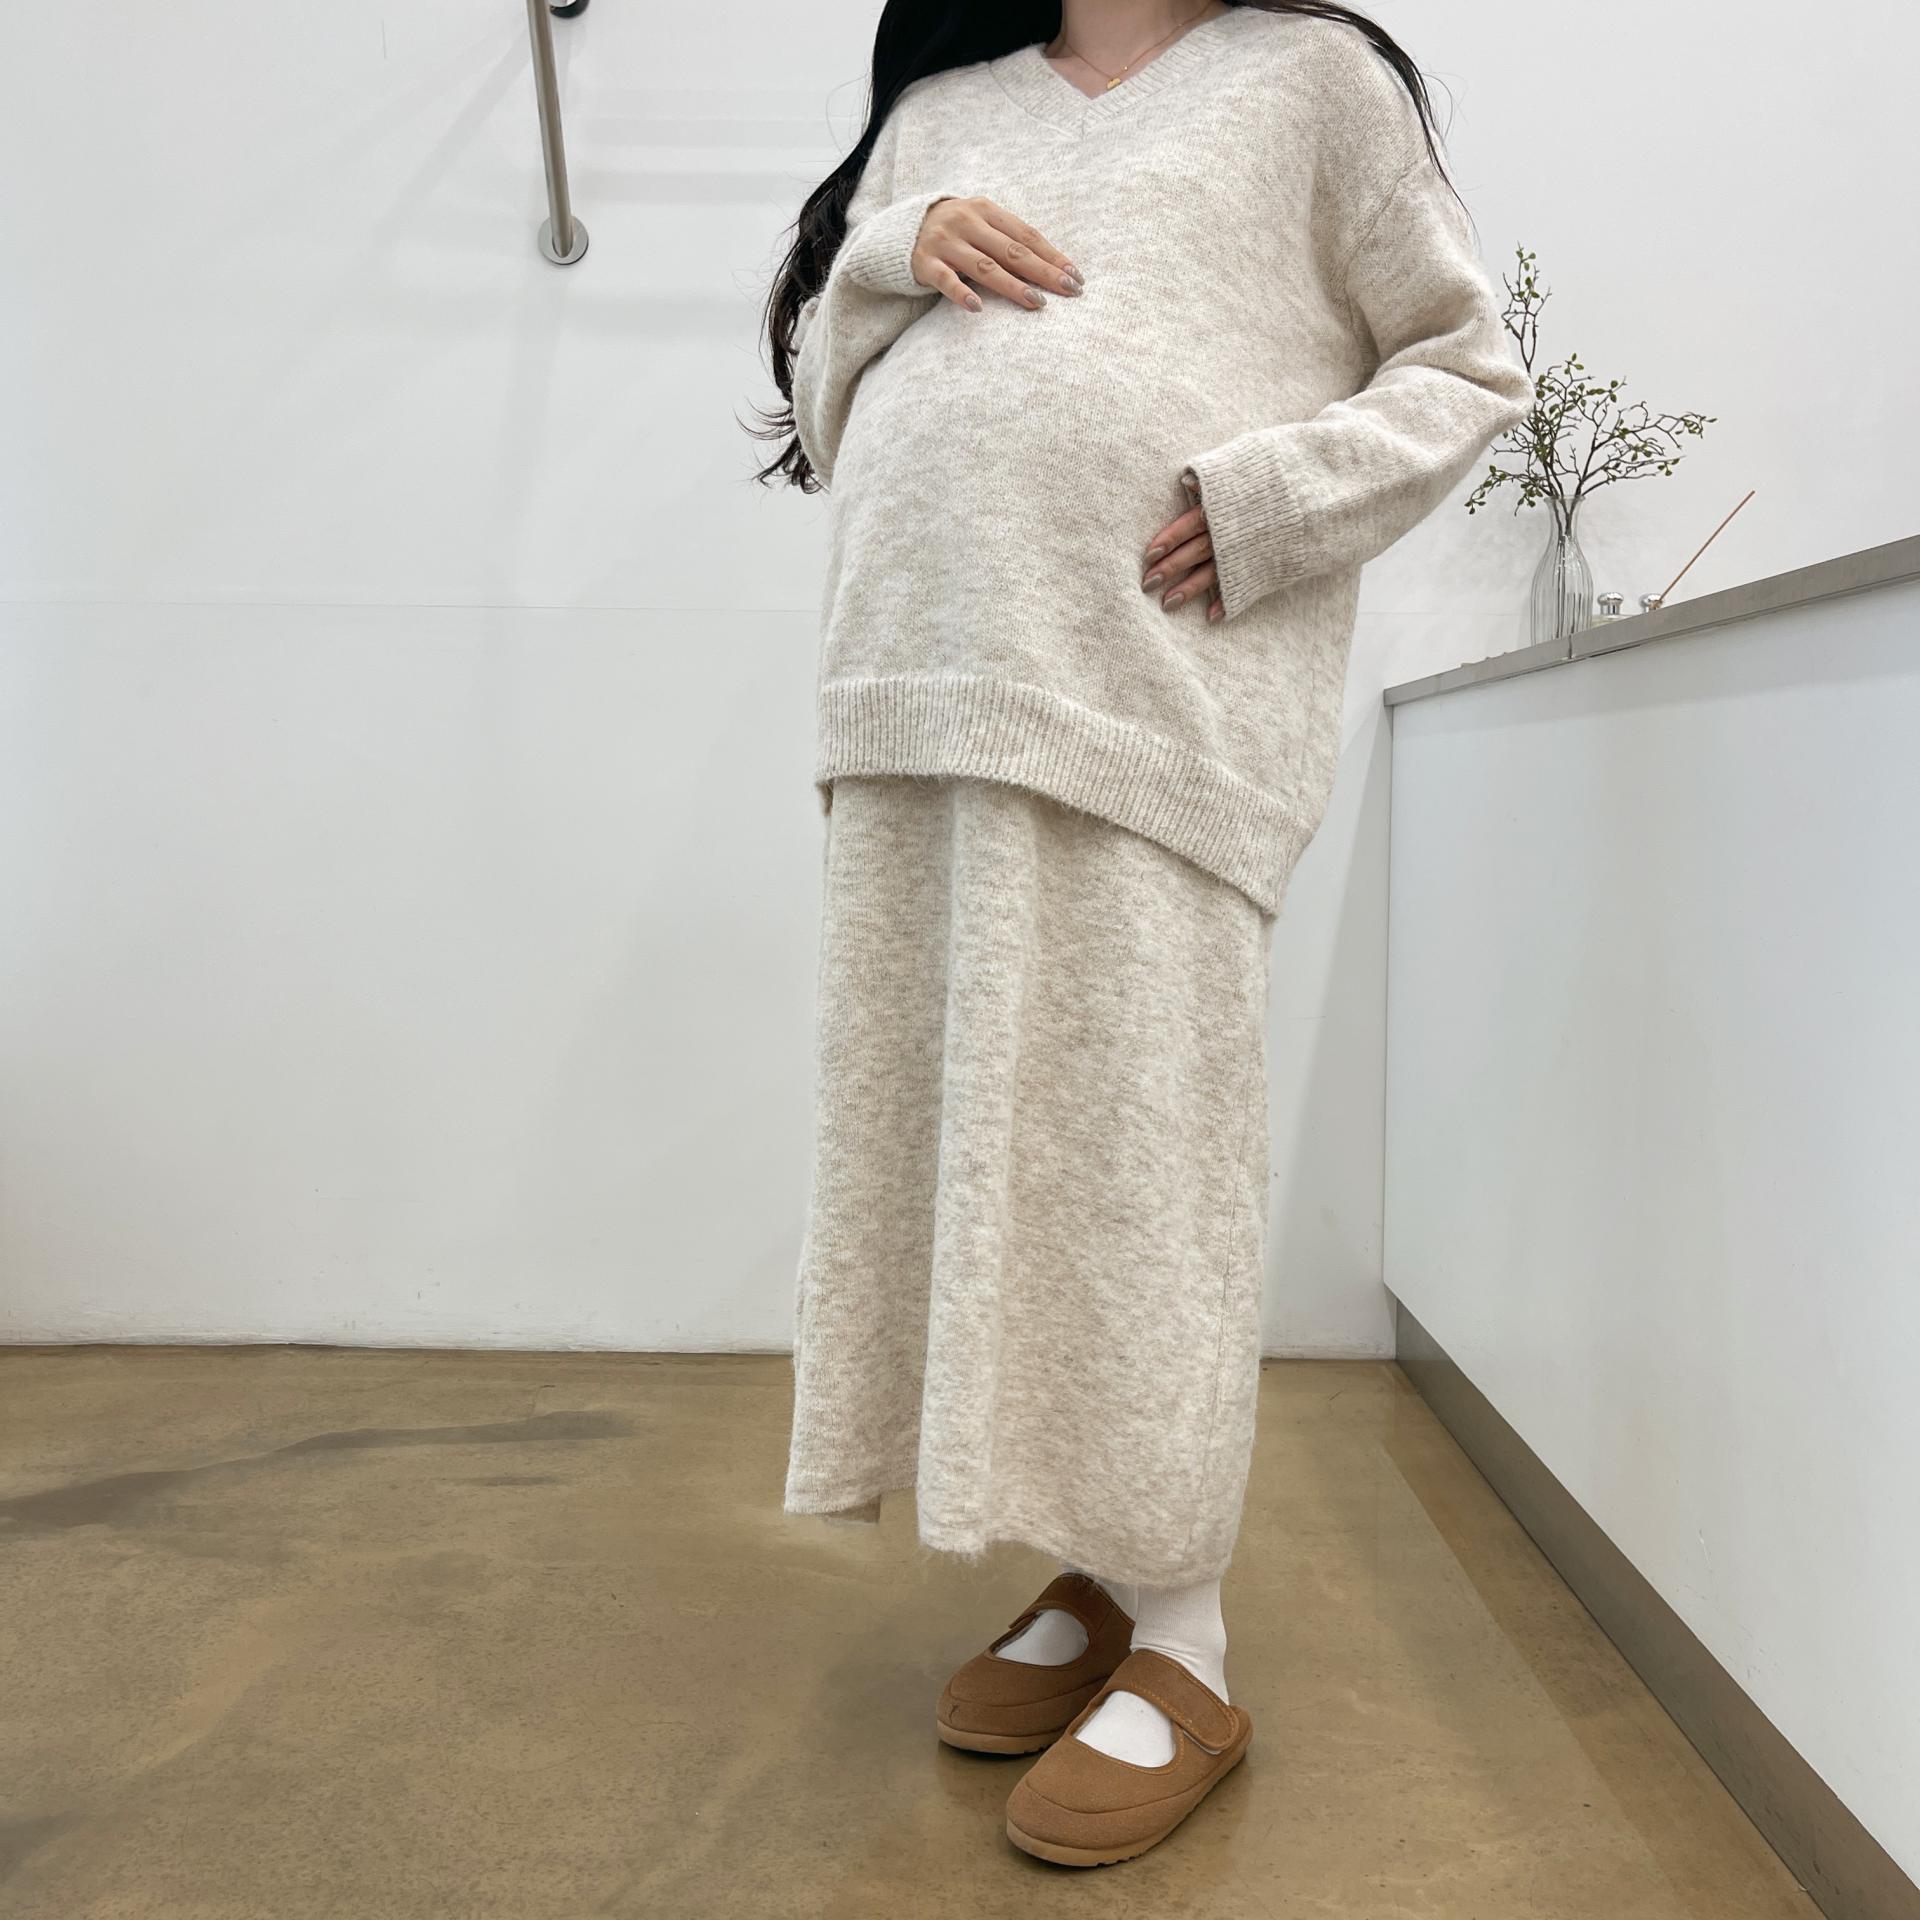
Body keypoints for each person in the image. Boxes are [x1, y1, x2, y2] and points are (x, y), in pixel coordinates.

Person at [753, 0, 1531, 1868]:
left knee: (1136, 1169)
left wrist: (1270, 504)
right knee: (970, 1162)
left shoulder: (1315, 83)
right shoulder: (947, 104)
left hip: (1152, 706)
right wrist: (889, 249)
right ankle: (1105, 1571)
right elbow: (820, 396)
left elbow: (1465, 362)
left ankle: (1187, 1633)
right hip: (918, 686)